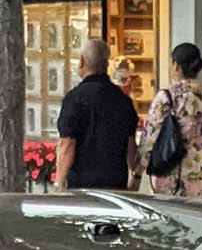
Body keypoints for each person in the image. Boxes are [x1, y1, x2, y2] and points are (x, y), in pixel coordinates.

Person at [141, 43, 202, 200]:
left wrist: (138, 171)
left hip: (179, 178)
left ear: (176, 66)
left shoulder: (168, 97)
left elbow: (150, 138)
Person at [55, 37, 139, 190]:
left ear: (82, 62)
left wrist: (59, 183)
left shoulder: (74, 99)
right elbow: (131, 144)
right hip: (116, 184)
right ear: (107, 64)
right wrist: (135, 176)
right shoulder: (123, 100)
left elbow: (67, 144)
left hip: (82, 187)